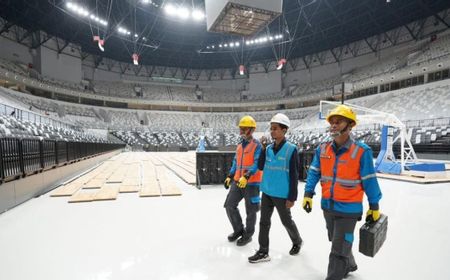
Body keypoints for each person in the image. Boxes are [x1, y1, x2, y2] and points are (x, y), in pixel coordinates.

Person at [302, 104, 383, 280]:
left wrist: (374, 205)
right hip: (328, 207)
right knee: (336, 240)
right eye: (332, 122)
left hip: (349, 211)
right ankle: (350, 264)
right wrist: (308, 193)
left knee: (337, 250)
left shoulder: (362, 151)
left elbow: (370, 180)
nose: (333, 125)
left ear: (350, 125)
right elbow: (314, 172)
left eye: (338, 122)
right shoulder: (322, 149)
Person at [248, 113, 302, 263]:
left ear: (284, 130)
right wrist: (263, 149)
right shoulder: (269, 148)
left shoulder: (291, 149)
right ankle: (263, 251)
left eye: (275, 129)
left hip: (282, 194)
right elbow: (260, 166)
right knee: (264, 222)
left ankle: (297, 241)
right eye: (271, 129)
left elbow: (294, 175)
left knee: (286, 221)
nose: (272, 131)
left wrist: (292, 197)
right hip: (266, 191)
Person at [224, 115, 263, 246]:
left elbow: (257, 163)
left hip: (251, 183)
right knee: (229, 205)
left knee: (251, 211)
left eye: (243, 128)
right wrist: (230, 175)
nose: (241, 131)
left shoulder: (257, 146)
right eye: (240, 128)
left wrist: (246, 176)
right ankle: (238, 230)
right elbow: (236, 162)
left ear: (251, 130)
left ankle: (248, 235)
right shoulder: (240, 146)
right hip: (237, 181)